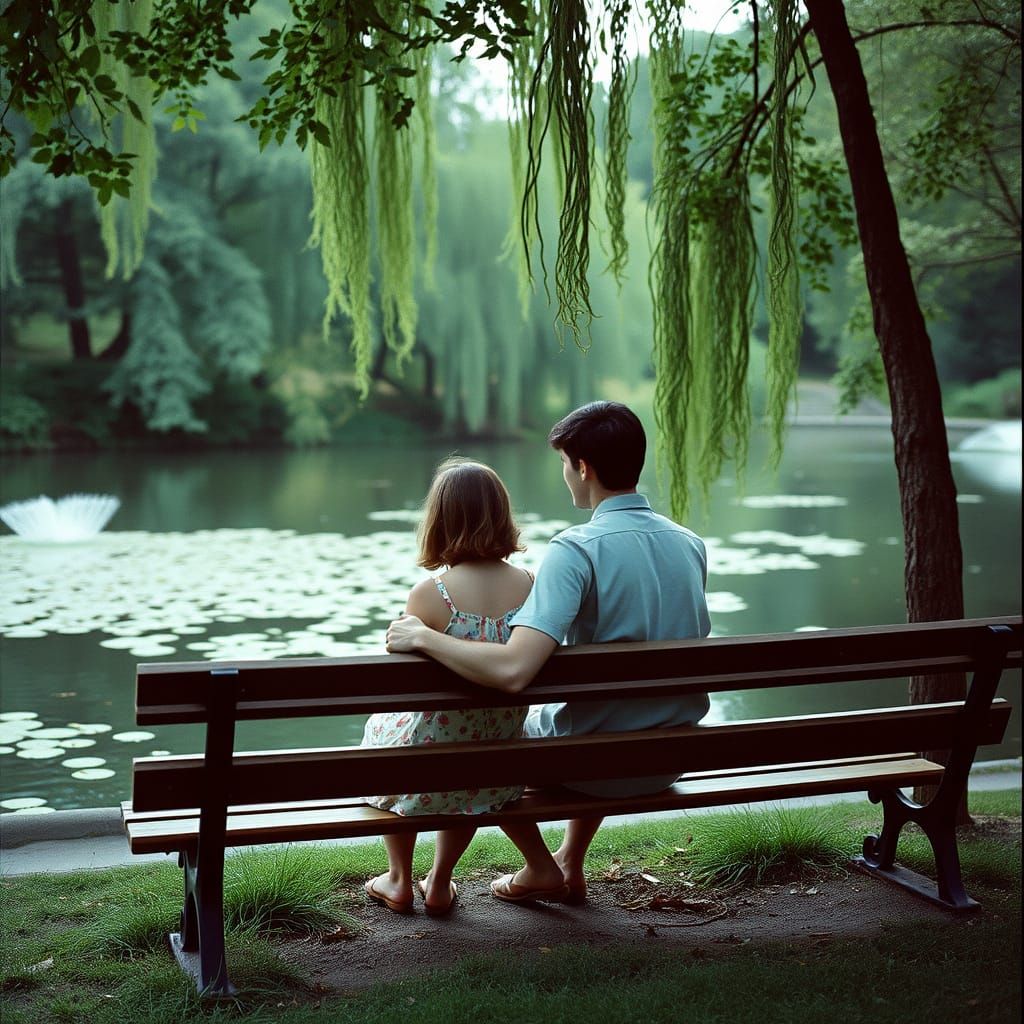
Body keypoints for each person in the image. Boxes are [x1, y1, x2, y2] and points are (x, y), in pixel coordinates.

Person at [386, 401, 711, 905]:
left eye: (564, 463)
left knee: (498, 739)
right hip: (670, 755)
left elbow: (515, 671)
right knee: (599, 716)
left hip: (593, 763)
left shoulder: (574, 549)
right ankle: (565, 863)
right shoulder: (690, 544)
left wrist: (424, 637)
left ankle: (521, 869)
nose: (565, 475)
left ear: (582, 467)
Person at [362, 457, 534, 916]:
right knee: (469, 762)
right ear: (502, 515)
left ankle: (398, 879)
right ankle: (438, 880)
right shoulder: (532, 587)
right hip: (493, 762)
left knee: (385, 734)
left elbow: (400, 678)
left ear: (439, 521)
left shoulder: (431, 595)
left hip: (428, 762)